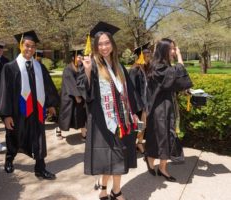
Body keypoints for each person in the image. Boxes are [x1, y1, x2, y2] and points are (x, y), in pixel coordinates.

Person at [78, 22, 143, 200]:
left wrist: (135, 114)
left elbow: (129, 93)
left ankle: (112, 189)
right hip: (102, 121)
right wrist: (88, 71)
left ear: (112, 45)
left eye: (107, 43)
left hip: (121, 121)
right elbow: (85, 92)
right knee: (111, 157)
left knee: (118, 155)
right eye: (100, 44)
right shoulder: (92, 65)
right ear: (96, 47)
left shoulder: (120, 67)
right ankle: (109, 189)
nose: (104, 47)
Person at [0, 31, 60, 180]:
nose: (30, 49)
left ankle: (40, 168)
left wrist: (50, 104)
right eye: (27, 46)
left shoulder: (39, 67)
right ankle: (9, 159)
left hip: (36, 109)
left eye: (32, 46)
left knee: (39, 138)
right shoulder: (10, 68)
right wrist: (6, 115)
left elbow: (47, 86)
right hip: (18, 110)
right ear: (21, 46)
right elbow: (4, 92)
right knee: (14, 137)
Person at [145, 38, 193, 182]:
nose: (174, 51)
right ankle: (150, 161)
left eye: (174, 49)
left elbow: (178, 82)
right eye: (172, 48)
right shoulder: (157, 67)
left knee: (167, 137)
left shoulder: (165, 66)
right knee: (159, 138)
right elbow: (179, 73)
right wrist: (179, 57)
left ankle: (163, 168)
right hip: (159, 109)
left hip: (167, 106)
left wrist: (185, 91)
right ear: (164, 50)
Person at [128, 42, 152, 154]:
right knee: (138, 126)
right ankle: (133, 145)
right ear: (141, 56)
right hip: (138, 105)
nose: (149, 58)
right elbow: (131, 90)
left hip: (145, 103)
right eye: (147, 56)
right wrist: (140, 106)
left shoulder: (144, 68)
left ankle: (140, 143)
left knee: (143, 126)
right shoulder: (134, 70)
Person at [58, 50, 87, 141]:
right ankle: (58, 130)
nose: (80, 59)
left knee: (81, 115)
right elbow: (71, 83)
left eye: (82, 58)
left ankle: (84, 134)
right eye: (79, 57)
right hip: (68, 97)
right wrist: (77, 96)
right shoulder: (68, 69)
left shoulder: (81, 68)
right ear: (73, 57)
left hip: (79, 95)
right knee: (66, 116)